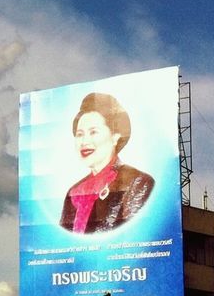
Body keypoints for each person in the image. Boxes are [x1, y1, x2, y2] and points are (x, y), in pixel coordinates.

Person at [59, 92, 154, 233]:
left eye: (93, 132)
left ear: (115, 136)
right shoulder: (74, 192)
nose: (84, 141)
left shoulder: (137, 182)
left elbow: (136, 236)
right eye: (79, 134)